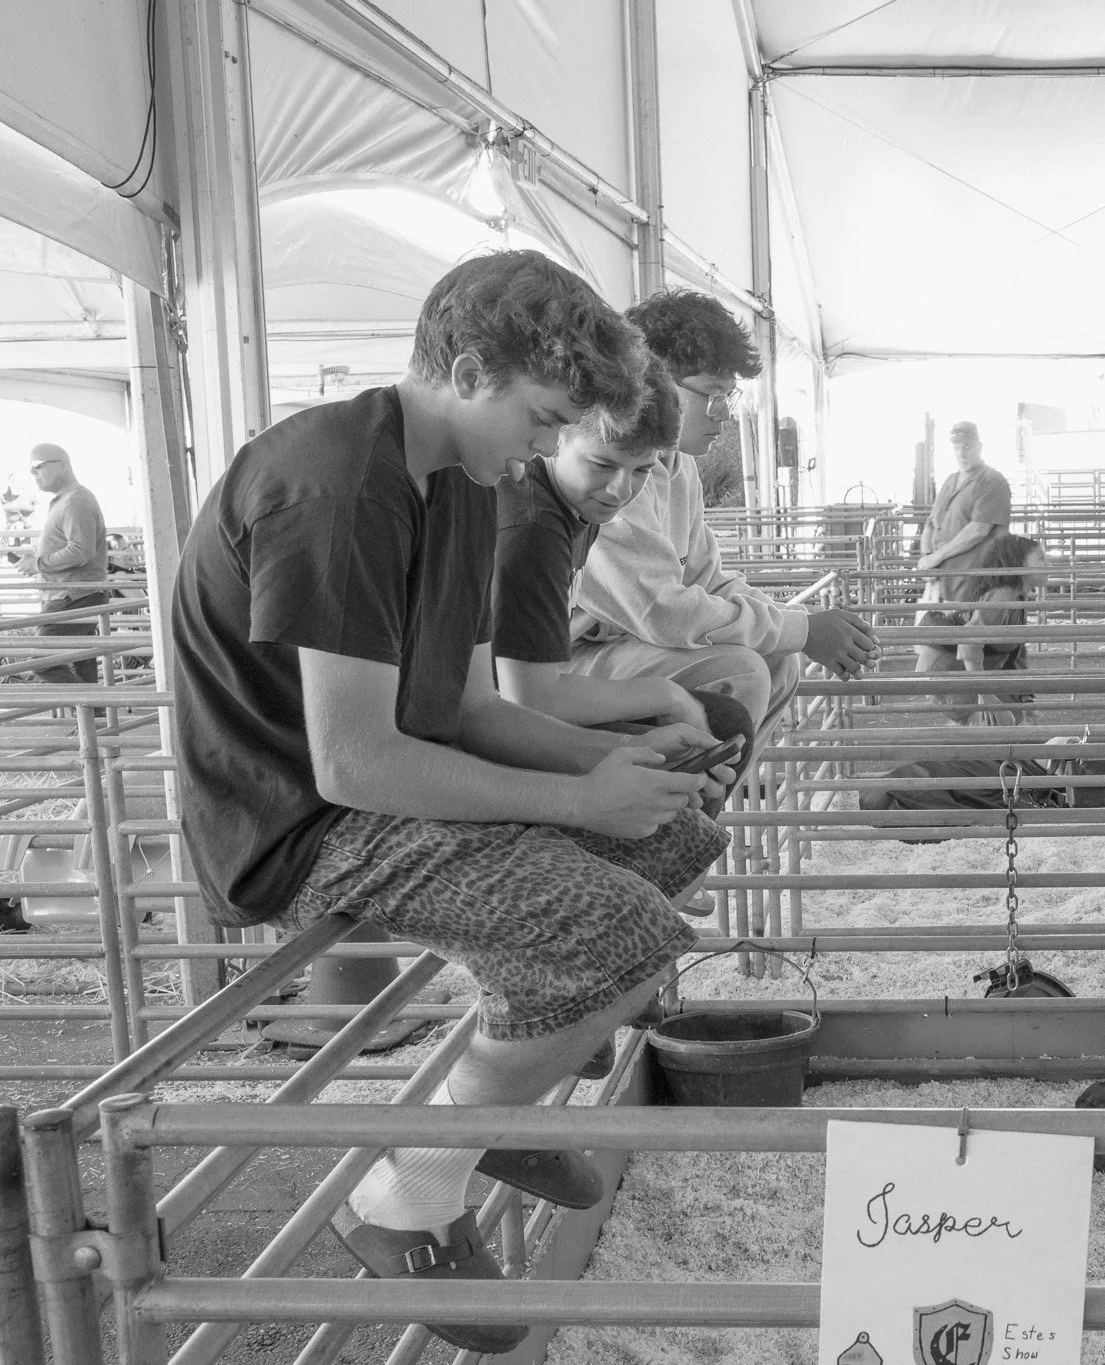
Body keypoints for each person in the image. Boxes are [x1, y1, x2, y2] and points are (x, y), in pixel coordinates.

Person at [170, 251, 731, 1356]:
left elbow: (472, 707)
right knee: (625, 934)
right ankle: (409, 1195)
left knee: (676, 835)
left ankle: (499, 1106)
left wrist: (614, 763)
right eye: (544, 416)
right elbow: (352, 764)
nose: (547, 442)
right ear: (468, 369)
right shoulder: (336, 483)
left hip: (385, 784)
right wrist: (578, 802)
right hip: (297, 821)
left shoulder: (466, 484)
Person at [568, 290, 878, 745]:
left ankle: (702, 801)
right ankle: (681, 802)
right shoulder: (617, 475)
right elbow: (662, 610)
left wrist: (800, 625)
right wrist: (802, 628)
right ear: (652, 379)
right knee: (744, 669)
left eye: (728, 396)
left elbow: (705, 579)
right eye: (713, 393)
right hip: (560, 664)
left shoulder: (679, 468)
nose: (724, 414)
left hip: (619, 646)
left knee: (777, 662)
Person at [492, 356, 754, 822]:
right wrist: (667, 696)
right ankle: (653, 877)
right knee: (698, 734)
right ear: (557, 436)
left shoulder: (582, 505)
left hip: (520, 692)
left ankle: (674, 870)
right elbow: (527, 699)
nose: (619, 489)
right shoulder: (532, 528)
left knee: (718, 726)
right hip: (486, 718)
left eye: (641, 471)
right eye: (602, 464)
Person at [914, 531, 1046, 725]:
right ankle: (964, 742)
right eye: (1041, 559)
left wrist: (1023, 698)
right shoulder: (1003, 596)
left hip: (962, 670)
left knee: (1016, 720)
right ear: (1021, 564)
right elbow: (970, 644)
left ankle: (968, 734)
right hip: (945, 670)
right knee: (1001, 724)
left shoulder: (1017, 596)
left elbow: (1014, 652)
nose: (1048, 566)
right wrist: (984, 695)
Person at [16, 444, 108, 685]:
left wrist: (38, 564)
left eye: (39, 466)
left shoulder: (75, 501)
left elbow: (80, 550)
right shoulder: (67, 500)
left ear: (64, 466)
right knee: (82, 659)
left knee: (41, 660)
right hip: (74, 594)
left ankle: (87, 706)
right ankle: (93, 718)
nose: (34, 474)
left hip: (73, 596)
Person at [917, 420, 1012, 607]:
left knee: (976, 634)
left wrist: (936, 558)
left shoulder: (992, 481)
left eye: (967, 447)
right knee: (943, 631)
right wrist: (926, 556)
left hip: (979, 584)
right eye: (957, 447)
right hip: (945, 582)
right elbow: (931, 523)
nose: (962, 453)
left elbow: (978, 529)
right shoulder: (950, 481)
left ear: (979, 447)